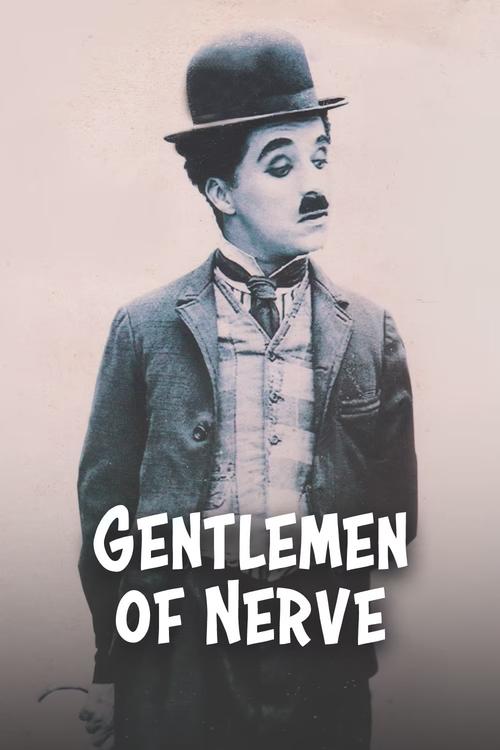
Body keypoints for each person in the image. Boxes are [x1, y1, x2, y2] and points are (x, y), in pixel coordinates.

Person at [77, 30, 417, 750]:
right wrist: (115, 671)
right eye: (281, 165)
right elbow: (105, 518)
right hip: (179, 660)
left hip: (317, 662)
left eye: (320, 157)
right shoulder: (144, 329)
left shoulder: (370, 333)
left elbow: (395, 515)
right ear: (220, 190)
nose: (313, 184)